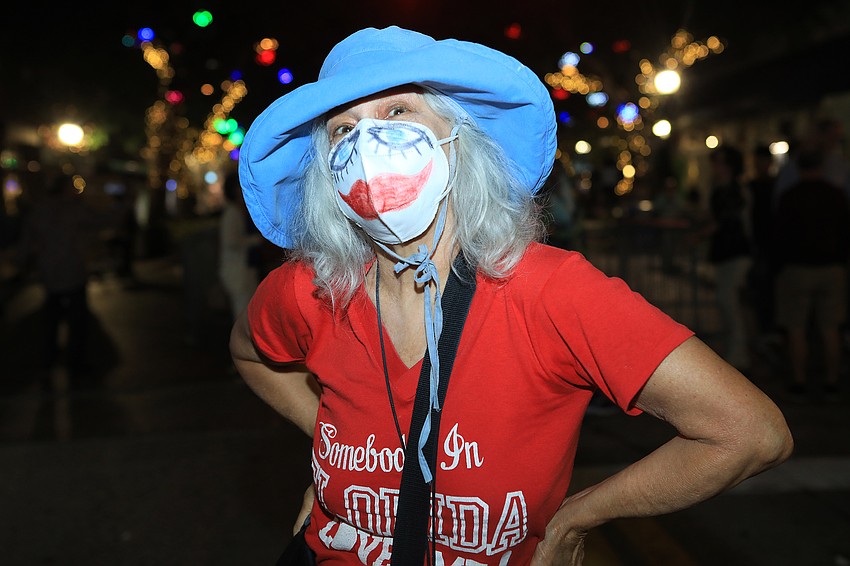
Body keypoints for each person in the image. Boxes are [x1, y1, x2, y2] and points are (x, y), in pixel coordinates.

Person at [230, 26, 793, 565]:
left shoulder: (550, 292)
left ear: (457, 138)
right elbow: (248, 352)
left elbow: (749, 434)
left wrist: (579, 516)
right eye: (341, 130)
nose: (365, 143)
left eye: (396, 111)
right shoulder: (309, 290)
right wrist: (333, 447)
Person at [774, 149, 850, 400]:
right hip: (831, 267)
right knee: (830, 327)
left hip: (797, 268)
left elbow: (780, 235)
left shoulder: (790, 197)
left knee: (796, 327)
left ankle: (799, 379)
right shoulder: (836, 195)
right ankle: (831, 379)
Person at [18, 173, 98, 386]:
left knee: (52, 321)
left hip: (51, 273)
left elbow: (28, 239)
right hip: (71, 272)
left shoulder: (40, 209)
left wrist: (23, 261)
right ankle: (74, 363)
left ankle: (49, 364)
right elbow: (97, 223)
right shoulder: (74, 209)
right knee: (76, 321)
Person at [704, 145, 754, 371]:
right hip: (729, 252)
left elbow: (727, 222)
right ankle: (737, 353)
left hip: (735, 252)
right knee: (728, 303)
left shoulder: (732, 191)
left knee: (729, 302)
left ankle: (739, 355)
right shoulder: (726, 190)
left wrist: (702, 233)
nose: (716, 167)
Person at [218, 170, 262, 321]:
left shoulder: (238, 212)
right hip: (238, 272)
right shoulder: (232, 213)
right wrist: (254, 240)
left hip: (244, 270)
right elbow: (231, 242)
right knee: (243, 314)